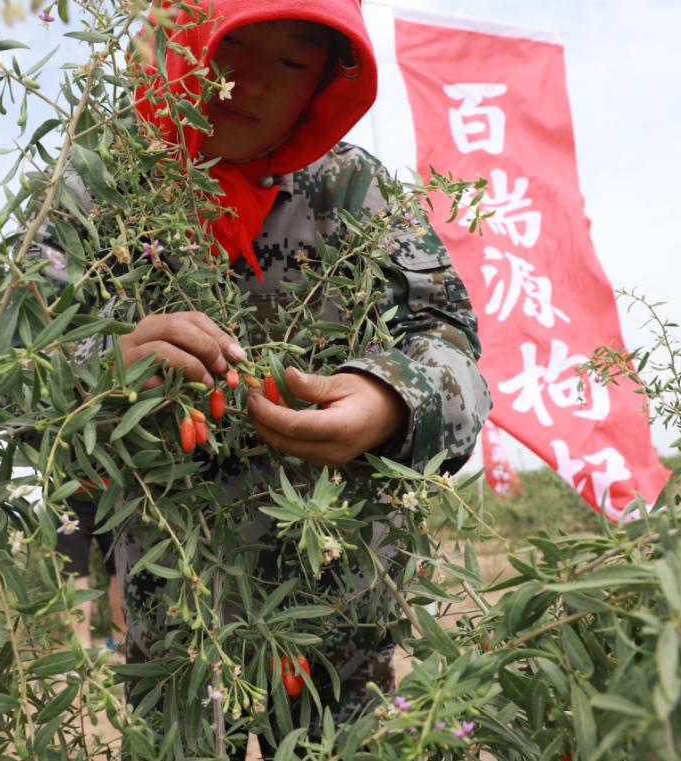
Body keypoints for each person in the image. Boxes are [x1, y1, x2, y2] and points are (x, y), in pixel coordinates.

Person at [37, 0, 491, 755]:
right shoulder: (94, 188)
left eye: (291, 62)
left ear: (325, 81)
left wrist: (391, 399)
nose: (249, 84)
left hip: (339, 620)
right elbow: (14, 379)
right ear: (185, 36)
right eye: (233, 45)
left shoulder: (354, 189)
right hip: (173, 624)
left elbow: (449, 345)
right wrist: (101, 373)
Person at [55, 495, 127, 652]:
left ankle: (120, 646)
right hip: (70, 498)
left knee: (121, 569)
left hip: (113, 495)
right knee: (73, 574)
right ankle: (82, 651)